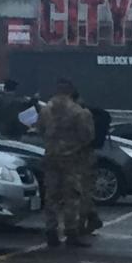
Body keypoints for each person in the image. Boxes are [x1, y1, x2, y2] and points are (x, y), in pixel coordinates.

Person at [36, 79, 94, 248]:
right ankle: (71, 233)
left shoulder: (46, 110)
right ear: (71, 92)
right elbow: (87, 136)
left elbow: (39, 129)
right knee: (72, 197)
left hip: (51, 157)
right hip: (72, 159)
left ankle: (51, 233)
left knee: (51, 196)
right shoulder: (78, 112)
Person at [71, 90, 110, 236]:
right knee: (83, 191)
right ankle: (91, 217)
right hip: (87, 156)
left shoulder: (80, 115)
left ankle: (82, 224)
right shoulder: (87, 113)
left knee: (79, 192)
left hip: (81, 156)